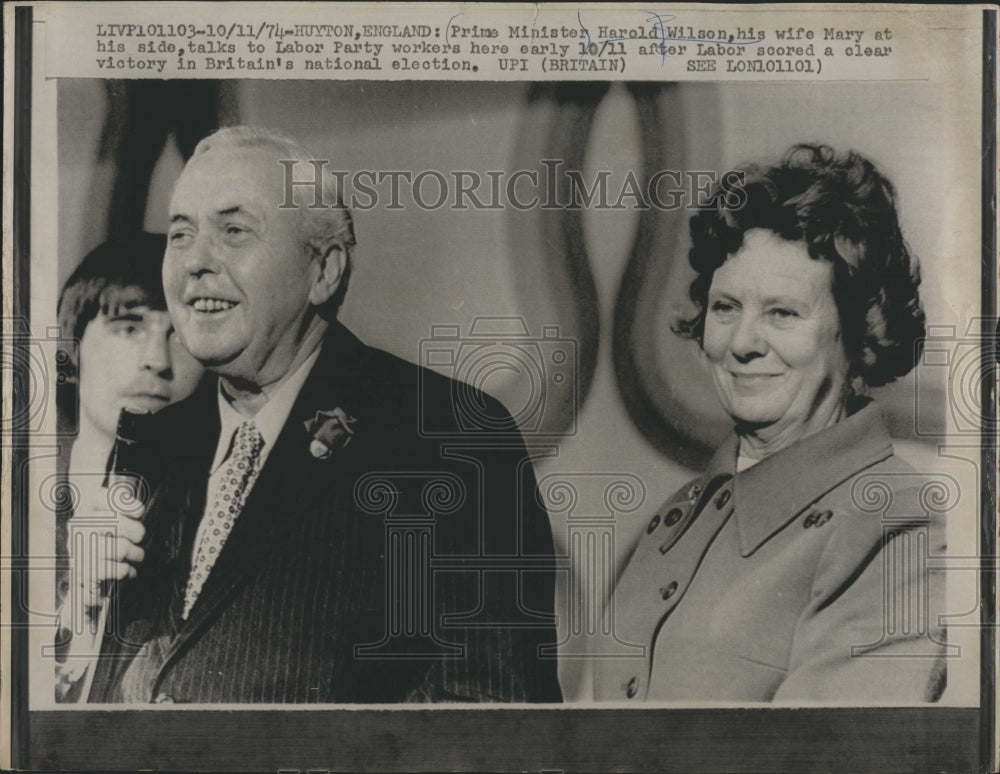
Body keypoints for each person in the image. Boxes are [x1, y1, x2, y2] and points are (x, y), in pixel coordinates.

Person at [69, 125, 562, 703]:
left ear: (323, 270)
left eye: (234, 230)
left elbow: (489, 723)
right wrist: (84, 610)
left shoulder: (446, 436)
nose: (195, 262)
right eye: (181, 235)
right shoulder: (155, 443)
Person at [594, 144, 946, 702]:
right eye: (726, 307)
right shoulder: (679, 516)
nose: (742, 343)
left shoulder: (894, 519)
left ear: (858, 335)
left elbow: (833, 756)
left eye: (782, 313)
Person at [54, 233, 205, 698]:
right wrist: (72, 608)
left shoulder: (210, 516)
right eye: (130, 327)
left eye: (180, 335)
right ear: (72, 350)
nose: (157, 361)